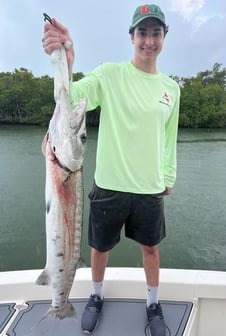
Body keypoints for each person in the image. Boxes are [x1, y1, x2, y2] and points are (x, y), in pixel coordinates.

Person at [42, 4, 180, 336]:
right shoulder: (109, 74)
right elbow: (71, 97)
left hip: (149, 186)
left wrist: (169, 176)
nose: (149, 40)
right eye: (143, 32)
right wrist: (65, 58)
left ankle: (153, 303)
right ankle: (95, 296)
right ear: (131, 36)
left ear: (164, 37)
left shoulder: (171, 89)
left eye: (156, 33)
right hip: (108, 184)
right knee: (99, 248)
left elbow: (168, 138)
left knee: (150, 247)